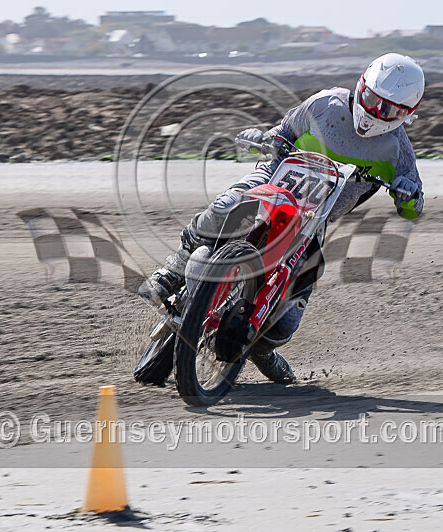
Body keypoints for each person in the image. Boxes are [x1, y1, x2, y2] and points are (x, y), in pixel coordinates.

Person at [139, 53, 426, 384]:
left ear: (405, 115)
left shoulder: (398, 151)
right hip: (273, 181)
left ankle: (261, 351)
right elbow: (284, 131)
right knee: (225, 207)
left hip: (313, 221)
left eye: (387, 109)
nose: (375, 112)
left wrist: (408, 196)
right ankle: (174, 269)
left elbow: (413, 207)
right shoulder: (325, 104)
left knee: (288, 319)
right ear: (361, 85)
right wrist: (266, 139)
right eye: (372, 99)